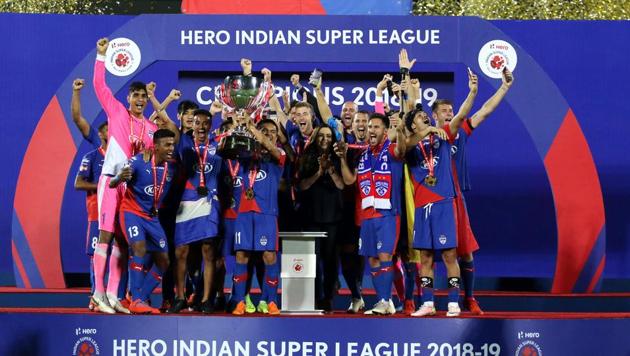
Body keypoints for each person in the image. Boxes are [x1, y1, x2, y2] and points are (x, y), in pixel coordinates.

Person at [91, 37, 178, 314]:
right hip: (111, 180)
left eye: (143, 97)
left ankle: (115, 296)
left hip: (130, 192)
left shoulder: (151, 130)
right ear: (128, 98)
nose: (139, 100)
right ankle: (98, 293)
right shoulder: (116, 111)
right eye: (136, 96)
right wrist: (101, 56)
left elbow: (156, 155)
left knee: (121, 241)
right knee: (104, 235)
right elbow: (99, 86)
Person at [430, 67, 514, 315]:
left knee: (464, 251)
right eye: (444, 112)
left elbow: (485, 110)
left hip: (456, 200)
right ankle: (420, 301)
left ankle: (469, 298)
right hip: (430, 201)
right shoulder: (427, 138)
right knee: (423, 255)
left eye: (451, 111)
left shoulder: (461, 133)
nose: (449, 114)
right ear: (434, 116)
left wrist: (505, 87)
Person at [335, 112, 407, 315]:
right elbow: (349, 181)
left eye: (376, 127)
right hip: (367, 215)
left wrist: (400, 129)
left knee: (385, 257)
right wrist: (342, 159)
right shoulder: (364, 155)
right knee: (373, 260)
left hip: (388, 214)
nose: (371, 130)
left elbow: (402, 149)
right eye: (369, 127)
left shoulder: (391, 150)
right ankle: (385, 301)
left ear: (385, 131)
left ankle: (385, 300)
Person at [403, 106, 463, 317]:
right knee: (425, 257)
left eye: (426, 115)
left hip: (443, 204)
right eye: (420, 117)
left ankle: (454, 302)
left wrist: (473, 92)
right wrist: (424, 132)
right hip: (421, 207)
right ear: (412, 125)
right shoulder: (410, 145)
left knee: (449, 255)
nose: (425, 117)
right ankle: (428, 303)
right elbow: (404, 144)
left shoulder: (443, 136)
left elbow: (460, 117)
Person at [111, 129, 178, 314]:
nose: (171, 148)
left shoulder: (170, 167)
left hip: (152, 217)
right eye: (167, 145)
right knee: (139, 247)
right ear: (155, 147)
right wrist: (119, 178)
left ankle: (138, 296)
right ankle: (138, 299)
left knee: (164, 261)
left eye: (172, 144)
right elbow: (112, 183)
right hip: (131, 213)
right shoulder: (139, 162)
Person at [167, 109, 223, 314]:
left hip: (210, 200)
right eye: (197, 123)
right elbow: (170, 125)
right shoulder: (183, 143)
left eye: (205, 123)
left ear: (210, 125)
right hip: (187, 201)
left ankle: (207, 299)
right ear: (192, 125)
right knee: (180, 251)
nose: (201, 127)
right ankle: (180, 296)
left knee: (208, 250)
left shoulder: (218, 144)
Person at [231, 116, 286, 316]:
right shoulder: (245, 156)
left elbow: (269, 147)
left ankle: (270, 300)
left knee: (269, 256)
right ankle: (239, 301)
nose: (268, 134)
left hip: (267, 214)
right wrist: (240, 125)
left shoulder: (278, 155)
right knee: (241, 256)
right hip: (244, 214)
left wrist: (254, 128)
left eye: (273, 132)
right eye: (265, 130)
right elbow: (229, 147)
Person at [298, 125, 345, 311]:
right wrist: (318, 172)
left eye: (328, 136)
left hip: (333, 217)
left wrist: (330, 169)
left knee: (331, 260)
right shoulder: (306, 157)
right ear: (315, 138)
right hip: (311, 216)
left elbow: (342, 185)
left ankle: (328, 298)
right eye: (321, 136)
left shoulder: (339, 157)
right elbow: (302, 186)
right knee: (312, 260)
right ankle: (314, 297)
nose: (325, 139)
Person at [74, 120, 109, 311]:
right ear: (102, 135)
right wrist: (103, 186)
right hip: (97, 214)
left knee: (119, 256)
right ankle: (96, 296)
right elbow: (78, 183)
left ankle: (117, 296)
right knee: (96, 256)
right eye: (108, 130)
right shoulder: (92, 156)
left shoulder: (122, 156)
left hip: (118, 213)